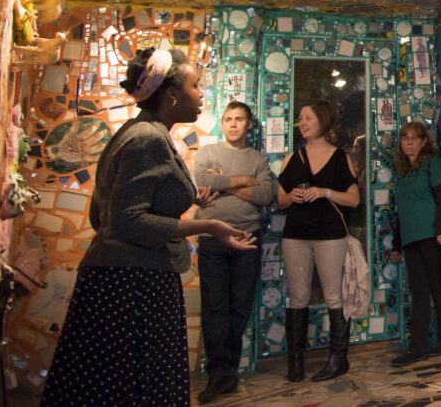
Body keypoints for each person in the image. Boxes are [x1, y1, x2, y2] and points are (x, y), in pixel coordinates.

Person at [42, 48, 255, 407]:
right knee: (136, 388)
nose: (201, 94)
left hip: (120, 279)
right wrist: (207, 226)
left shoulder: (137, 131)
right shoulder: (148, 139)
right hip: (132, 286)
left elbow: (103, 214)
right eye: (195, 85)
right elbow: (126, 220)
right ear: (171, 95)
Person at [193, 101, 276, 403]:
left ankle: (228, 373)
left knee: (239, 307)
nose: (232, 124)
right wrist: (242, 181)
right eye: (228, 119)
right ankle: (218, 374)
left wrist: (223, 184)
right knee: (214, 307)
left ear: (249, 124)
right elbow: (202, 181)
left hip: (248, 237)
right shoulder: (208, 152)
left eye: (239, 119)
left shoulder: (258, 159)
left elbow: (265, 195)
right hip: (212, 238)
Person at [276, 100, 361, 383]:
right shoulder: (292, 158)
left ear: (323, 121)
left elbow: (354, 199)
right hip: (296, 235)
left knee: (333, 296)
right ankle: (295, 361)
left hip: (330, 235)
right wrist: (291, 197)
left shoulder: (341, 158)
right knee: (297, 297)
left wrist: (325, 192)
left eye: (308, 118)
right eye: (301, 118)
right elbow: (280, 200)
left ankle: (338, 359)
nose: (303, 123)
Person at [389, 120, 441, 367]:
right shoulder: (403, 172)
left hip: (431, 236)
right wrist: (396, 244)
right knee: (418, 292)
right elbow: (402, 211)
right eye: (405, 137)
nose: (409, 142)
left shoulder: (433, 164)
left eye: (414, 138)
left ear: (423, 141)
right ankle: (417, 346)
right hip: (411, 238)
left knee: (437, 287)